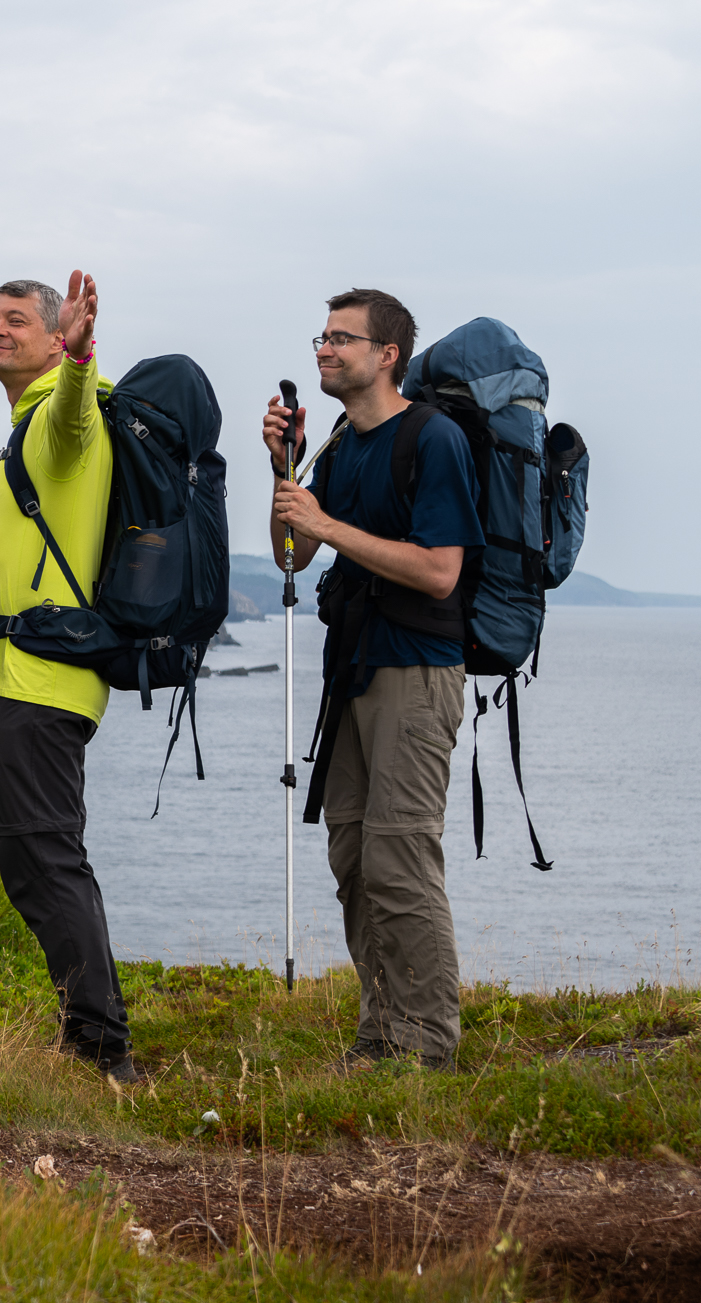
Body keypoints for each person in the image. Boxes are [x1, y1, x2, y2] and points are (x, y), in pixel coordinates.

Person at [263, 288, 483, 1072]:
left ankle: (427, 1045)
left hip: (416, 673)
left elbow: (438, 570)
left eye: (341, 339)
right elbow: (293, 555)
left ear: (387, 355)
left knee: (400, 854)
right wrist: (284, 474)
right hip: (351, 673)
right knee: (353, 854)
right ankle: (381, 1030)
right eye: (320, 337)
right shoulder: (337, 443)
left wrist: (327, 526)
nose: (323, 349)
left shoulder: (434, 440)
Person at [0, 274, 138, 1085]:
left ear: (55, 334)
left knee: (43, 856)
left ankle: (101, 1043)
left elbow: (70, 423)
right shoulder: (25, 429)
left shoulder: (70, 409)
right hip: (28, 674)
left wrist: (78, 357)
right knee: (42, 854)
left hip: (42, 676)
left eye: (16, 320)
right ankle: (92, 1029)